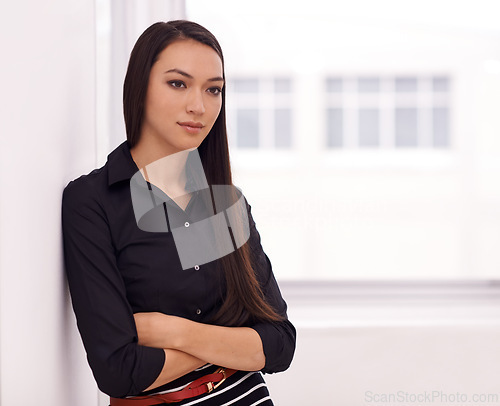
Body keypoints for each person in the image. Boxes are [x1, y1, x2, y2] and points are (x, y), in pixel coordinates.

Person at [61, 20, 296, 406]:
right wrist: (233, 345)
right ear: (140, 88)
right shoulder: (94, 202)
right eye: (178, 83)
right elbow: (119, 371)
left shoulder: (225, 202)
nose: (199, 106)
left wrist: (173, 331)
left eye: (213, 89)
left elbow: (280, 343)